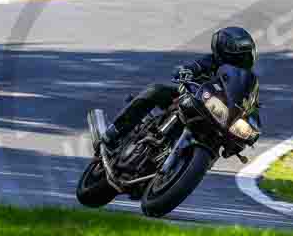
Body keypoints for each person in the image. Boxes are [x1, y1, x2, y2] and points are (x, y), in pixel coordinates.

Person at [102, 27, 260, 150]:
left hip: (218, 117)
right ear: (224, 52)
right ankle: (115, 131)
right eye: (239, 56)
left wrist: (252, 128)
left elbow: (251, 104)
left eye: (246, 55)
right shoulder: (210, 62)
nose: (243, 60)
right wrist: (186, 72)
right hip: (192, 100)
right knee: (155, 91)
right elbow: (193, 67)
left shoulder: (247, 81)